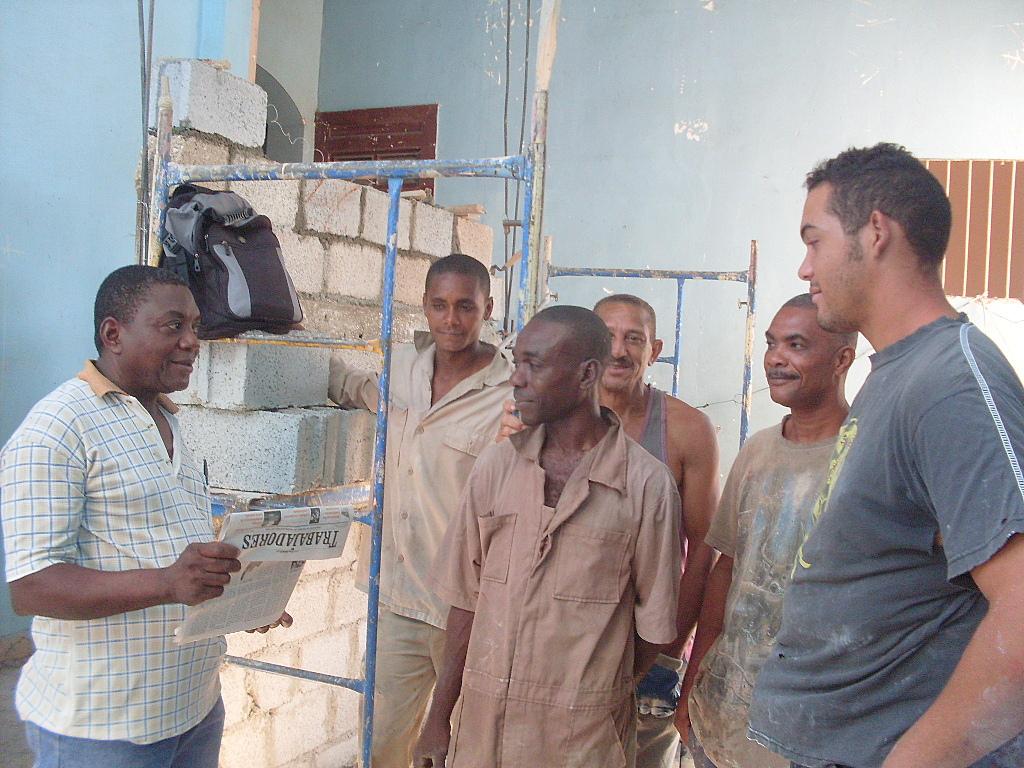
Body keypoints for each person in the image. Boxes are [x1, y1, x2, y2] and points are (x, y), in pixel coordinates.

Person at [747, 143, 1024, 768]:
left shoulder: (952, 382)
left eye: (814, 241)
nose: (803, 268)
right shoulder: (898, 372)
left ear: (875, 233)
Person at [1, 265, 288, 768]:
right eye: (172, 326)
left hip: (193, 710)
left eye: (196, 326)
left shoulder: (174, 419)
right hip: (101, 730)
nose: (192, 341)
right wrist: (167, 583)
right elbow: (33, 586)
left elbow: (170, 550)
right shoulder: (57, 427)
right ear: (113, 334)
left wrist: (243, 598)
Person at [414, 305, 683, 768]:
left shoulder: (646, 487)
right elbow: (464, 603)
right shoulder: (495, 468)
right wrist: (437, 719)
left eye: (534, 365)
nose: (517, 378)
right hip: (483, 736)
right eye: (517, 362)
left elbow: (653, 631)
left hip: (580, 746)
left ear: (586, 375)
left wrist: (591, 694)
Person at [498, 294, 721, 768]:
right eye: (609, 338)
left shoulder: (686, 430)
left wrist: (671, 645)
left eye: (634, 339)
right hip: (558, 647)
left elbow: (705, 548)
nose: (619, 351)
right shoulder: (543, 422)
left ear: (654, 349)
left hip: (650, 649)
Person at [327, 253, 512, 767]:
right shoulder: (403, 368)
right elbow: (355, 388)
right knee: (381, 742)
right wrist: (295, 349)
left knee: (464, 747)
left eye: (465, 307)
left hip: (468, 607)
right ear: (425, 308)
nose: (451, 320)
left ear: (487, 309)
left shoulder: (510, 393)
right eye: (439, 306)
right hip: (397, 598)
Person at [674, 294, 855, 768]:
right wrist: (693, 683)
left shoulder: (866, 459)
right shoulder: (756, 452)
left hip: (811, 734)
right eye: (772, 343)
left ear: (842, 360)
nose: (776, 357)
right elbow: (727, 568)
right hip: (724, 720)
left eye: (796, 345)